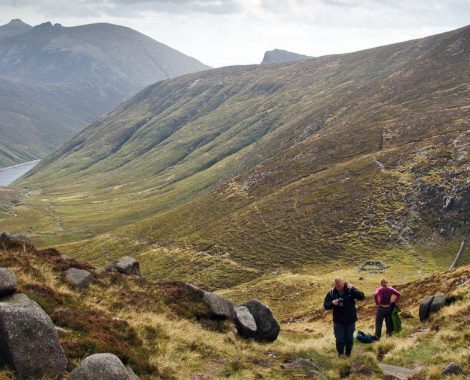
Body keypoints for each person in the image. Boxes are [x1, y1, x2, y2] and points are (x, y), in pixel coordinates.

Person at [324, 277, 365, 357]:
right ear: (335, 285)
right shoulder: (331, 293)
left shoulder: (350, 290)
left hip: (350, 320)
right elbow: (326, 306)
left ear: (343, 283)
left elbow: (361, 296)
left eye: (340, 285)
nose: (339, 287)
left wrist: (352, 288)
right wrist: (332, 303)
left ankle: (348, 354)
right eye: (337, 285)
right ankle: (340, 355)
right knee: (339, 340)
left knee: (349, 339)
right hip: (338, 321)